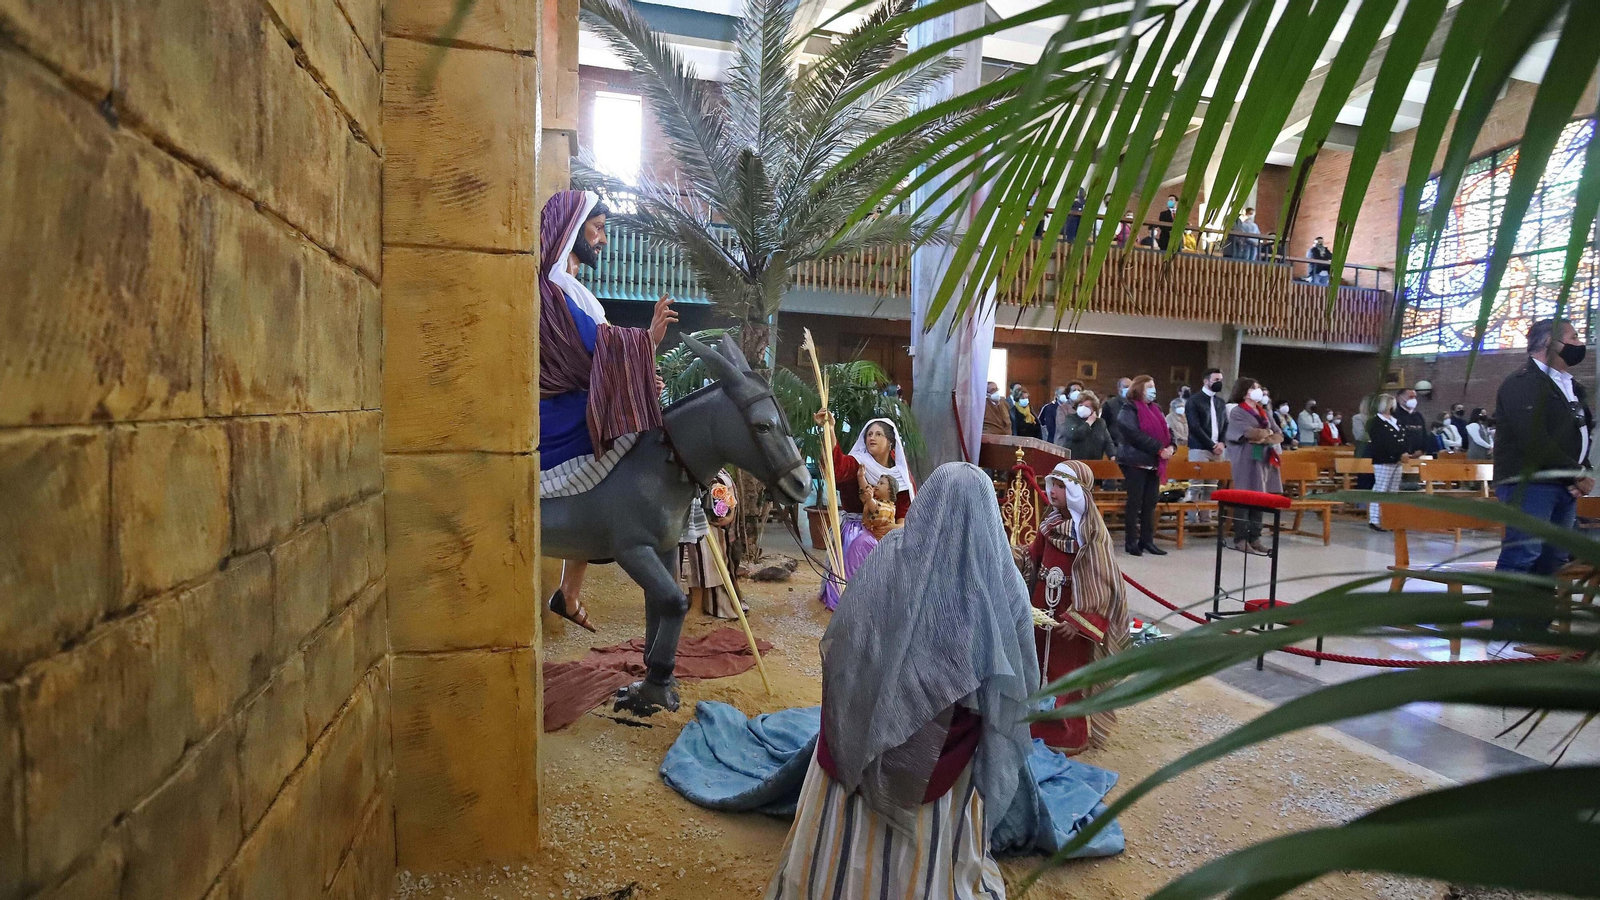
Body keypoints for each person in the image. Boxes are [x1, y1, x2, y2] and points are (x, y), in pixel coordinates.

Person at [765, 464, 1037, 900]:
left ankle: (832, 879)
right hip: (942, 748)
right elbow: (1013, 682)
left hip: (864, 724)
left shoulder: (890, 553)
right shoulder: (1000, 582)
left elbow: (850, 641)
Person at [539, 190, 677, 632]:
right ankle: (617, 544)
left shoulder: (571, 286)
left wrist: (641, 376)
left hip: (579, 401)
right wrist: (646, 344)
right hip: (561, 414)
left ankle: (571, 591)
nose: (602, 240)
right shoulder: (551, 287)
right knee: (631, 434)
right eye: (597, 229)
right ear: (571, 229)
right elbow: (587, 354)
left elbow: (597, 358)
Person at [1022, 462, 1130, 754]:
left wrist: (1082, 618)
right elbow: (1035, 557)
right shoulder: (1050, 524)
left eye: (1060, 486)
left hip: (1070, 615)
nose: (1053, 491)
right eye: (1052, 485)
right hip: (1042, 610)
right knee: (1037, 667)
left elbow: (1103, 579)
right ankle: (1036, 725)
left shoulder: (1090, 533)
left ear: (1074, 491)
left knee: (1066, 672)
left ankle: (1067, 732)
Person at [1491, 318, 1596, 616]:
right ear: (1550, 343)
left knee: (1553, 557)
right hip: (1530, 482)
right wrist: (1575, 474)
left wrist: (1582, 471)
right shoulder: (1522, 382)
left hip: (1561, 483)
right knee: (1524, 552)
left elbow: (1580, 432)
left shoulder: (1570, 384)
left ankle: (1537, 627)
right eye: (1573, 337)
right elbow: (1534, 438)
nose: (1579, 343)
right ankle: (1505, 626)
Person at [815, 414, 916, 610]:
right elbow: (837, 467)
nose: (872, 437)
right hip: (857, 525)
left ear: (890, 443)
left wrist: (895, 528)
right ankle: (850, 603)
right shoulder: (858, 464)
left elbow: (905, 508)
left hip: (891, 529)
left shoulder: (900, 472)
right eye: (869, 434)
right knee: (862, 542)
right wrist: (830, 429)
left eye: (879, 434)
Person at [1115, 375, 1175, 557]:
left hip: (1154, 463)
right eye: (1149, 386)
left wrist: (1172, 446)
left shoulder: (1156, 409)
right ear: (1139, 388)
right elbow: (1134, 434)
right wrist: (1159, 449)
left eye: (1154, 385)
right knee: (1135, 502)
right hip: (1135, 461)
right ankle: (1131, 542)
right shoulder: (1128, 409)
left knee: (1150, 503)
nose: (1153, 390)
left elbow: (1167, 430)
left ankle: (1147, 540)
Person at [1225, 378, 1284, 554]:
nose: (1257, 390)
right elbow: (1247, 432)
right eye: (1253, 388)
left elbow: (1278, 433)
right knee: (1244, 496)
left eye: (1258, 387)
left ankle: (1255, 537)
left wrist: (1265, 436)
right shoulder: (1238, 412)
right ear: (1244, 391)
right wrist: (1265, 434)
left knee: (1260, 496)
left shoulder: (1265, 412)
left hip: (1264, 458)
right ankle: (1241, 538)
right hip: (1245, 458)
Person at [680, 470, 740, 618]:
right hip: (686, 522)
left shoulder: (721, 476)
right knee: (688, 561)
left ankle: (700, 604)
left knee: (704, 562)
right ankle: (687, 600)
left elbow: (730, 498)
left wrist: (729, 514)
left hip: (710, 528)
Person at [1365, 393, 1410, 532]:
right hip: (1384, 459)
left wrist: (1405, 452)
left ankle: (1390, 518)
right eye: (1389, 403)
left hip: (1397, 460)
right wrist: (1397, 453)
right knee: (1381, 489)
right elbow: (1382, 442)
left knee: (1393, 490)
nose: (1392, 406)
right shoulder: (1375, 422)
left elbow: (1402, 438)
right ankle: (1375, 519)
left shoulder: (1395, 421)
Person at [1186, 368, 1228, 462]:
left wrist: (1222, 443)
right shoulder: (1194, 400)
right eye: (1216, 380)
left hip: (1219, 449)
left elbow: (1225, 424)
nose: (1219, 382)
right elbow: (1194, 426)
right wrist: (1212, 445)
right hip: (1199, 448)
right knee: (1198, 476)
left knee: (1216, 477)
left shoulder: (1220, 402)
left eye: (1220, 380)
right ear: (1206, 381)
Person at [1065, 391, 1114, 461]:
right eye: (1080, 405)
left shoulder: (1100, 422)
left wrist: (1112, 455)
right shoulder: (1070, 418)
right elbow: (1074, 434)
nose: (1083, 408)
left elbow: (1108, 442)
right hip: (1075, 461)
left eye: (1087, 406)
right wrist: (1088, 423)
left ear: (1094, 409)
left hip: (1094, 461)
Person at [1395, 388, 1431, 456]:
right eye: (1411, 397)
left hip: (1418, 455)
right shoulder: (1394, 415)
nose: (1413, 400)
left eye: (1415, 397)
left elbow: (1424, 434)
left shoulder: (1418, 415)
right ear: (1400, 398)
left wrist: (1422, 450)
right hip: (1401, 456)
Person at [1102, 376, 1133, 451]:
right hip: (1115, 446)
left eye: (1130, 387)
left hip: (1132, 447)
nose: (1128, 389)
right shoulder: (1109, 405)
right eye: (1125, 387)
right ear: (1119, 388)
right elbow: (1104, 426)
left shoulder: (1136, 405)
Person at [1053, 380, 1086, 447]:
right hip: (1064, 444)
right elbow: (1063, 428)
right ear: (1068, 394)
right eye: (1074, 390)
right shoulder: (1062, 408)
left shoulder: (1085, 408)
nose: (1077, 392)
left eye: (1079, 390)